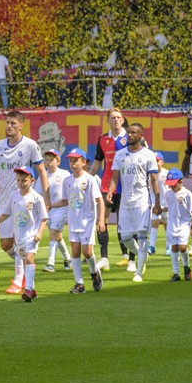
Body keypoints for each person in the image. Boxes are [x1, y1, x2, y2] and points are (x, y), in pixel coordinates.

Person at [0, 109, 46, 294]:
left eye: (13, 124)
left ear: (21, 125)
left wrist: (47, 195)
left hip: (25, 201)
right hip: (6, 200)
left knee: (21, 240)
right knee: (6, 244)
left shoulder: (30, 145)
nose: (9, 127)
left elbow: (42, 170)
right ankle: (26, 269)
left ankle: (20, 280)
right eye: (8, 123)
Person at [112, 122, 162, 282]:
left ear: (141, 135)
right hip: (125, 202)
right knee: (125, 237)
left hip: (142, 201)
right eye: (129, 132)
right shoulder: (120, 155)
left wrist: (157, 201)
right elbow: (115, 176)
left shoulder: (148, 155)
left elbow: (154, 180)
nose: (130, 135)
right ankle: (142, 253)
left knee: (141, 235)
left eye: (133, 133)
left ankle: (139, 272)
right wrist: (110, 191)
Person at [61, 147, 105, 294]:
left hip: (88, 221)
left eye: (76, 161)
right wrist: (50, 205)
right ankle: (79, 284)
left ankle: (94, 272)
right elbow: (65, 201)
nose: (73, 164)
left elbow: (100, 201)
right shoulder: (67, 181)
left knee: (86, 253)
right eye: (71, 160)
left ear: (84, 162)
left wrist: (101, 221)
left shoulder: (90, 180)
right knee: (75, 252)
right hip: (73, 222)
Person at [92, 109, 128, 269]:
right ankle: (104, 258)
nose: (116, 120)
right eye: (113, 118)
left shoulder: (130, 137)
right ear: (107, 121)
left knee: (124, 222)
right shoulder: (102, 139)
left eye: (119, 117)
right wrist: (86, 178)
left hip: (126, 186)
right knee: (102, 221)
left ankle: (127, 255)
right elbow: (97, 162)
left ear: (123, 119)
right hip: (107, 186)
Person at [6, 166, 48, 301]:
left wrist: (40, 233)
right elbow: (7, 213)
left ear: (32, 181)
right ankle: (32, 289)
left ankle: (28, 289)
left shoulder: (36, 198)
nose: (21, 183)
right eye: (18, 180)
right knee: (25, 262)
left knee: (29, 259)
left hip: (32, 236)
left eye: (24, 181)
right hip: (19, 236)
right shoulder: (13, 196)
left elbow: (44, 217)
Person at [156, 168, 192, 281]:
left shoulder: (187, 194)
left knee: (182, 247)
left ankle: (187, 267)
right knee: (173, 247)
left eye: (174, 184)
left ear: (181, 181)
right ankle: (176, 273)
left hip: (184, 224)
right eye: (170, 184)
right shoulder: (168, 194)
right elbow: (168, 207)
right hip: (171, 224)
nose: (171, 187)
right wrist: (160, 210)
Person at [41, 148, 72, 272]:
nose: (49, 162)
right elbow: (39, 193)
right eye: (47, 160)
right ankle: (68, 259)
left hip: (61, 208)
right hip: (48, 210)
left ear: (58, 161)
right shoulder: (43, 176)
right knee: (57, 236)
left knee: (53, 233)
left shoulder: (64, 174)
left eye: (51, 160)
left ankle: (51, 263)